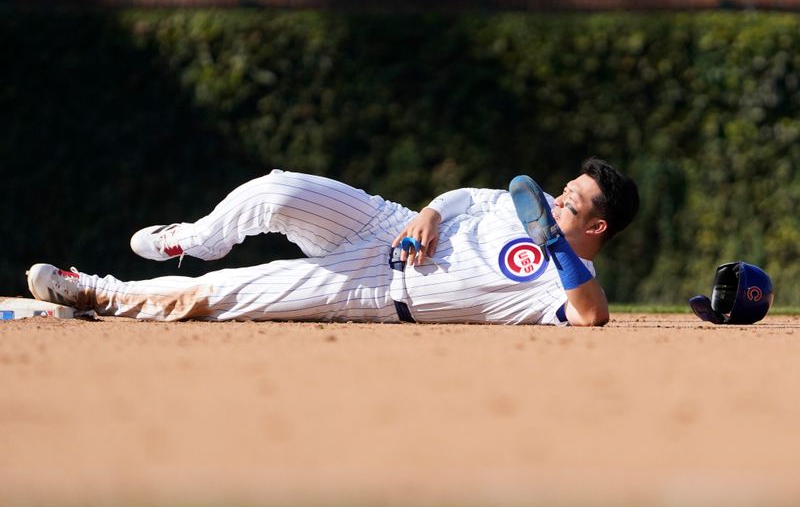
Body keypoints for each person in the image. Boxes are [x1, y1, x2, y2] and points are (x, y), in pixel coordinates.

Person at [26, 157, 639, 326]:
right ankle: (195, 237)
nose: (555, 202)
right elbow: (465, 200)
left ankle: (93, 292)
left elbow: (593, 315)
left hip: (374, 290)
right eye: (562, 191)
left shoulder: (555, 283)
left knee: (221, 295)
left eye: (571, 204)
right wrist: (428, 211)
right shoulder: (520, 207)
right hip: (385, 225)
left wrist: (558, 253)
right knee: (279, 189)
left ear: (597, 228)